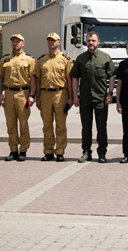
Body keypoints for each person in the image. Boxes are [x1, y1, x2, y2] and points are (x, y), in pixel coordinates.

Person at [70, 32, 115, 163]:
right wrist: (75, 96)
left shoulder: (105, 58)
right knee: (86, 127)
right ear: (86, 42)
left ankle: (102, 153)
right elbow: (74, 78)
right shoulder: (81, 59)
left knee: (101, 127)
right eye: (89, 40)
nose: (91, 43)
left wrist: (110, 93)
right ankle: (86, 152)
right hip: (85, 99)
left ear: (98, 42)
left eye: (93, 41)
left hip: (101, 99)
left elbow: (111, 76)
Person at [0, 34, 36, 162]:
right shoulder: (5, 59)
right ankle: (13, 150)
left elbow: (33, 79)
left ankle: (23, 150)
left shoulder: (29, 59)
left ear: (23, 43)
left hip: (23, 93)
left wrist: (32, 95)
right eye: (13, 41)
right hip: (9, 93)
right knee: (11, 124)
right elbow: (1, 78)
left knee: (23, 124)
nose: (15, 44)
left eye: (18, 41)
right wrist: (0, 93)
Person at [36, 33, 73, 162]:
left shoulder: (65, 59)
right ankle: (48, 151)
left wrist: (71, 98)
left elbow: (69, 79)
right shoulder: (41, 60)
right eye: (49, 40)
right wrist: (38, 98)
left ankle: (60, 151)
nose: (51, 43)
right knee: (47, 125)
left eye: (54, 40)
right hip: (45, 94)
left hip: (60, 94)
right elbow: (38, 80)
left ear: (59, 42)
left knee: (60, 125)